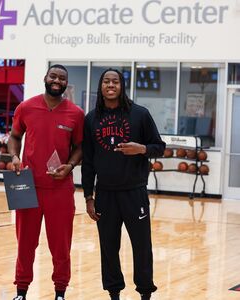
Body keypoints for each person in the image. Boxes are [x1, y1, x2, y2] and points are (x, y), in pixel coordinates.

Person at [81, 69, 165, 300]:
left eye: (115, 81)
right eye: (106, 81)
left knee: (142, 247)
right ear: (101, 86)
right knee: (109, 248)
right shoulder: (91, 119)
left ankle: (145, 293)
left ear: (121, 86)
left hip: (134, 192)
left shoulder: (139, 114)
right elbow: (87, 161)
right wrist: (89, 196)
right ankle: (114, 293)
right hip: (105, 194)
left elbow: (160, 146)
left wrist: (142, 149)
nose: (110, 85)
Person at [8, 64, 84, 300]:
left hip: (60, 188)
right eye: (53, 76)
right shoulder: (26, 107)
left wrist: (69, 166)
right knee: (25, 244)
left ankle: (60, 292)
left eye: (62, 78)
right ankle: (21, 291)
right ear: (45, 78)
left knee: (60, 246)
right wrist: (14, 156)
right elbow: (14, 136)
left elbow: (80, 147)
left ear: (66, 83)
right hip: (27, 184)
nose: (57, 80)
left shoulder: (76, 114)